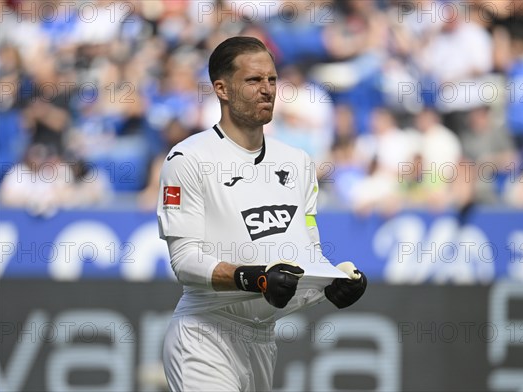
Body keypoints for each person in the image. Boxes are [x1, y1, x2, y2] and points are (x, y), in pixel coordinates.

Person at [157, 36, 367, 392]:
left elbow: (304, 259)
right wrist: (251, 277)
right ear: (221, 89)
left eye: (272, 79)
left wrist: (330, 285)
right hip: (204, 332)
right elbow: (185, 261)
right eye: (253, 81)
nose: (267, 89)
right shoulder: (188, 159)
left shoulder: (298, 163)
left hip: (262, 341)